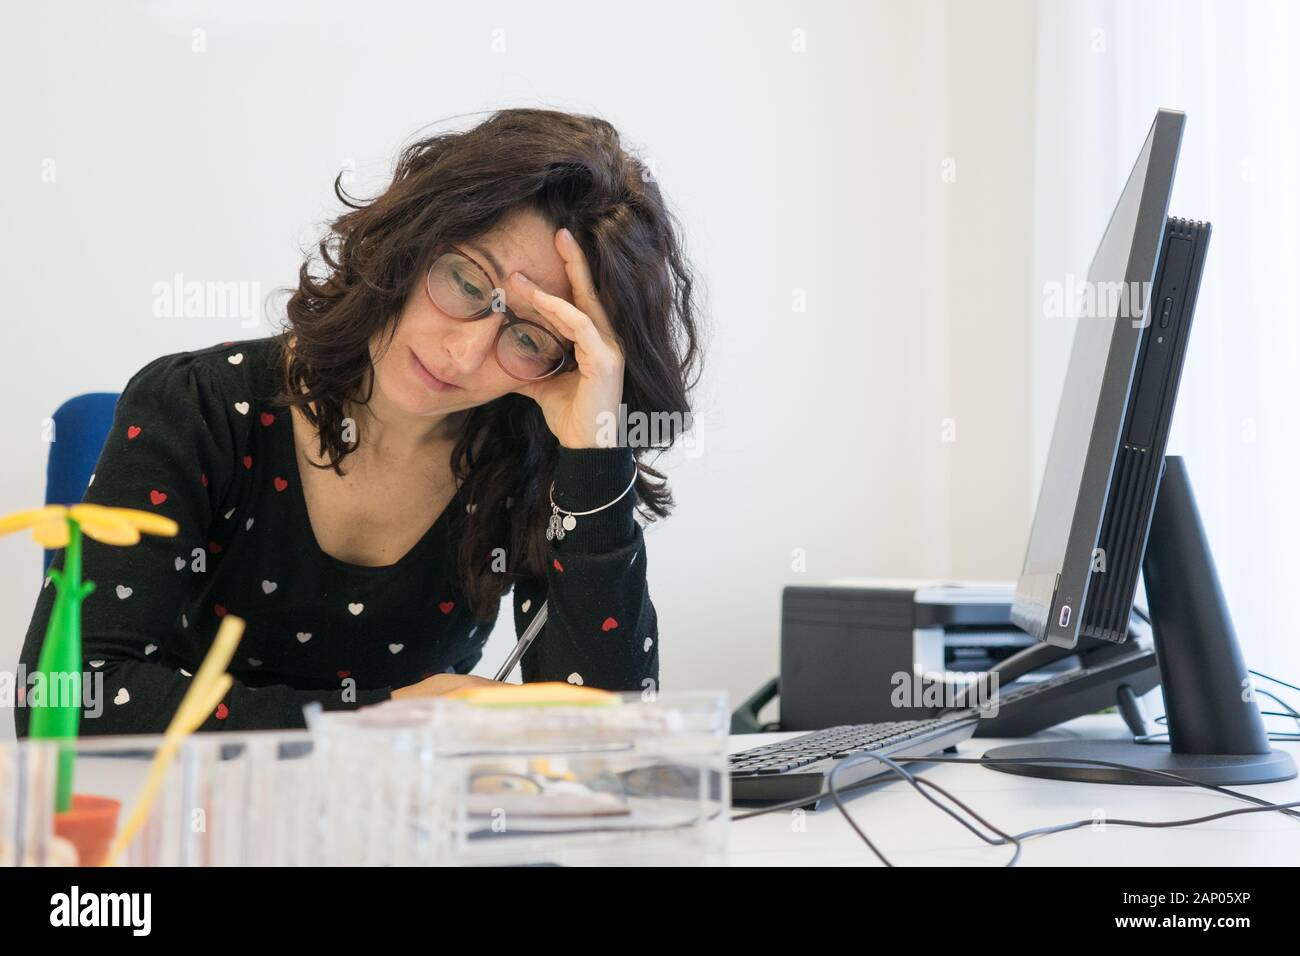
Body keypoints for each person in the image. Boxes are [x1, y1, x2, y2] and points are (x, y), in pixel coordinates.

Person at [17, 108, 702, 734]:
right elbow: (66, 700)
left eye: (529, 337)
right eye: (466, 283)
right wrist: (387, 720)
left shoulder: (530, 456)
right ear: (410, 243)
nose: (462, 353)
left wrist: (595, 453)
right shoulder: (199, 406)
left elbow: (606, 740)